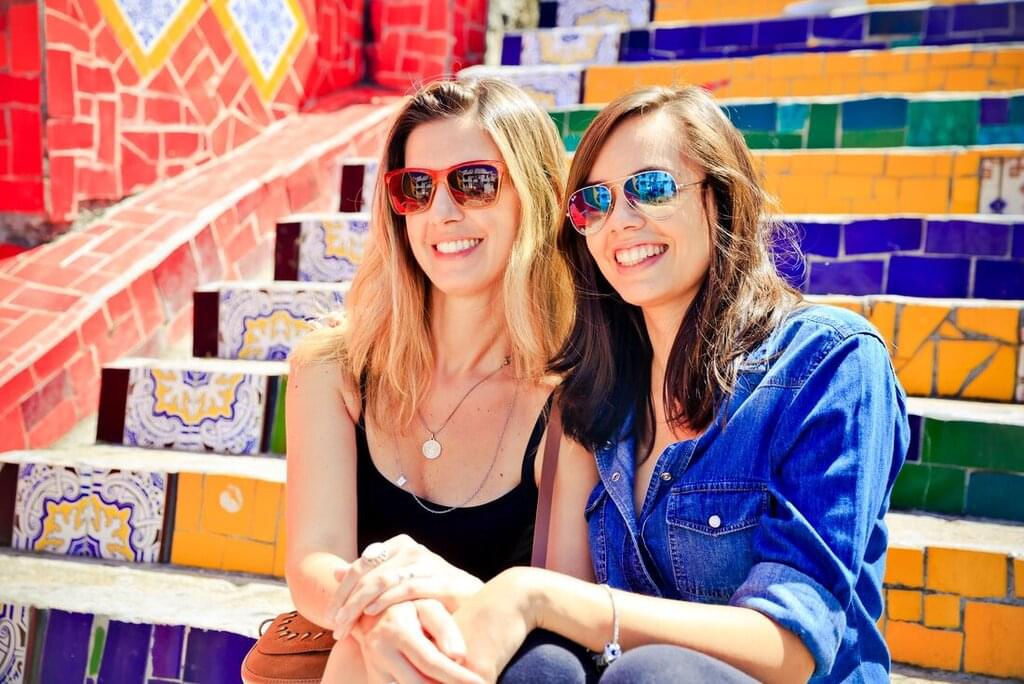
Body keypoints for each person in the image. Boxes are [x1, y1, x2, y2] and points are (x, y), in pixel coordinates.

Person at [444, 85, 910, 683]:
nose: (620, 221)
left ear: (721, 198)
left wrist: (540, 595)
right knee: (541, 666)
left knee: (652, 673)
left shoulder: (827, 361)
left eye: (652, 188)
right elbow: (562, 616)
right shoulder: (598, 393)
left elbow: (791, 647)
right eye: (595, 202)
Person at [283, 77, 597, 684]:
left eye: (474, 182)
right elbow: (312, 563)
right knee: (372, 645)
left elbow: (561, 607)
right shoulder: (332, 368)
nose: (443, 213)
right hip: (359, 660)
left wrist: (432, 596)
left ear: (533, 195)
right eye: (416, 188)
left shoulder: (572, 397)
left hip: (494, 667)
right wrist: (380, 615)